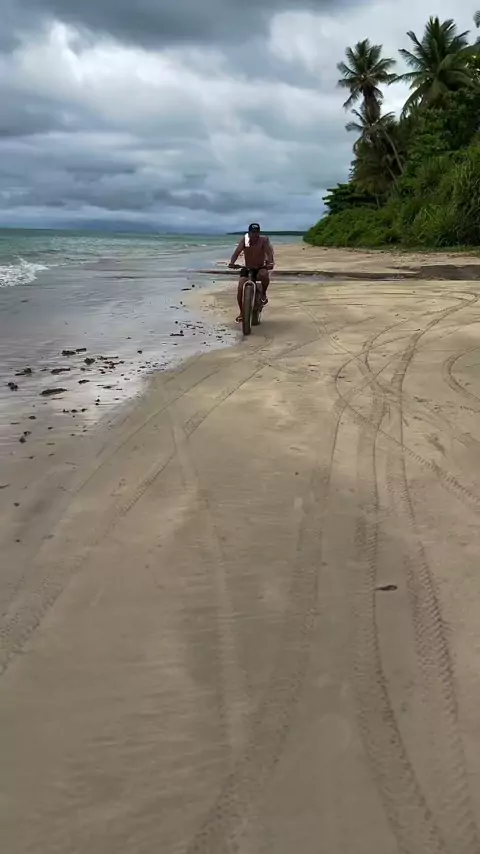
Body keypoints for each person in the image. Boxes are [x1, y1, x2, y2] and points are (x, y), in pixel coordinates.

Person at [229, 223, 274, 323]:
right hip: (248, 268)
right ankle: (242, 313)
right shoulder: (245, 240)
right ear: (249, 233)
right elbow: (237, 252)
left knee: (264, 275)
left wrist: (270, 263)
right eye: (253, 232)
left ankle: (263, 293)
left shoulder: (263, 240)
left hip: (260, 267)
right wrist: (232, 263)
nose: (255, 234)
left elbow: (269, 252)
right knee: (240, 287)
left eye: (257, 232)